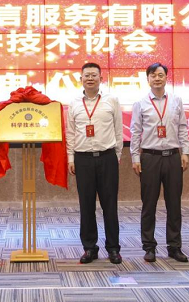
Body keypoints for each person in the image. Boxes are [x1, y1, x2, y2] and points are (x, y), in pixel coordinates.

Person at [130, 63, 189, 263]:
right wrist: (135, 157)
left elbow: (182, 128)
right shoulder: (141, 103)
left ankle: (175, 247)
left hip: (173, 156)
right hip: (150, 157)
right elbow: (135, 132)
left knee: (174, 204)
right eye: (153, 75)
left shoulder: (176, 101)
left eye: (161, 75)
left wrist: (185, 152)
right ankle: (149, 247)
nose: (157, 78)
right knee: (149, 205)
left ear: (166, 78)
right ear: (148, 79)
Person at [66, 62, 123, 264]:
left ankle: (113, 248)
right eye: (87, 75)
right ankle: (90, 248)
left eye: (94, 75)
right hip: (83, 159)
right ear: (81, 79)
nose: (90, 78)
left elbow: (118, 130)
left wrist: (116, 156)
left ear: (101, 78)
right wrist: (71, 158)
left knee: (110, 205)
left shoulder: (111, 100)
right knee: (86, 205)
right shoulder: (74, 103)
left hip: (107, 158)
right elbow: (70, 133)